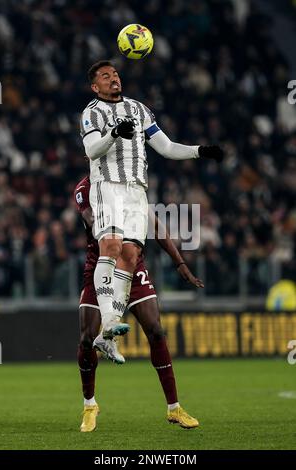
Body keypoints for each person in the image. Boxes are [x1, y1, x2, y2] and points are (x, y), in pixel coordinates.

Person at [80, 60, 223, 345]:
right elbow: (92, 149)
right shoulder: (91, 113)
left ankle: (111, 326)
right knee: (110, 245)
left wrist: (200, 151)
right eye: (106, 76)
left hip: (137, 190)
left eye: (115, 74)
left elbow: (166, 147)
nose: (113, 78)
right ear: (95, 86)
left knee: (130, 255)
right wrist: (114, 133)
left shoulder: (139, 109)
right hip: (108, 185)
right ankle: (108, 319)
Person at [74, 176, 204, 432]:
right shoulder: (85, 188)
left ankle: (174, 408)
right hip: (100, 268)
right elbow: (92, 220)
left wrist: (179, 263)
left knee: (156, 330)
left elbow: (154, 225)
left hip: (134, 269)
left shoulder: (129, 182)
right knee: (87, 337)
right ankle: (90, 405)